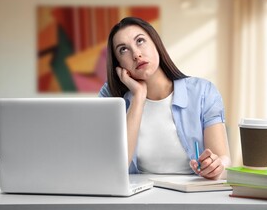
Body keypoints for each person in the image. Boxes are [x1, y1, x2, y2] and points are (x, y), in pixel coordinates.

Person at [98, 17, 231, 180]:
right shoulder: (111, 96)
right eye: (123, 50)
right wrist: (138, 97)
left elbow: (224, 161)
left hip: (191, 195)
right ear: (118, 64)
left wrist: (217, 166)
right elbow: (114, 168)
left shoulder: (203, 92)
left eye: (140, 41)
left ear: (156, 43)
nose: (136, 54)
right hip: (136, 198)